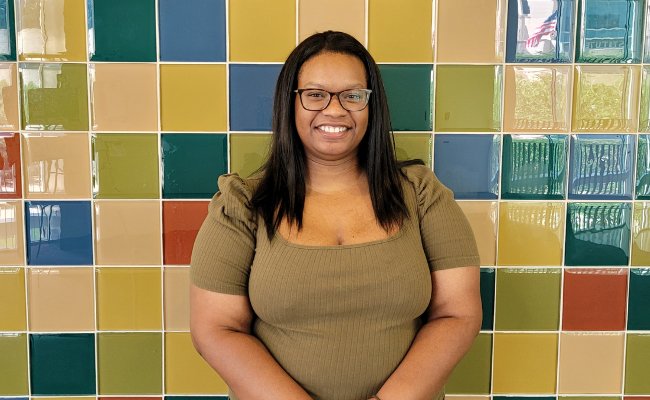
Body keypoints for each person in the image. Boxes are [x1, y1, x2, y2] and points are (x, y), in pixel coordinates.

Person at [190, 31, 482, 400]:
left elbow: (457, 314)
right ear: (290, 103)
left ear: (370, 105)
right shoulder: (241, 205)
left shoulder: (422, 195)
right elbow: (215, 329)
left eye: (353, 95)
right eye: (315, 95)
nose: (335, 110)